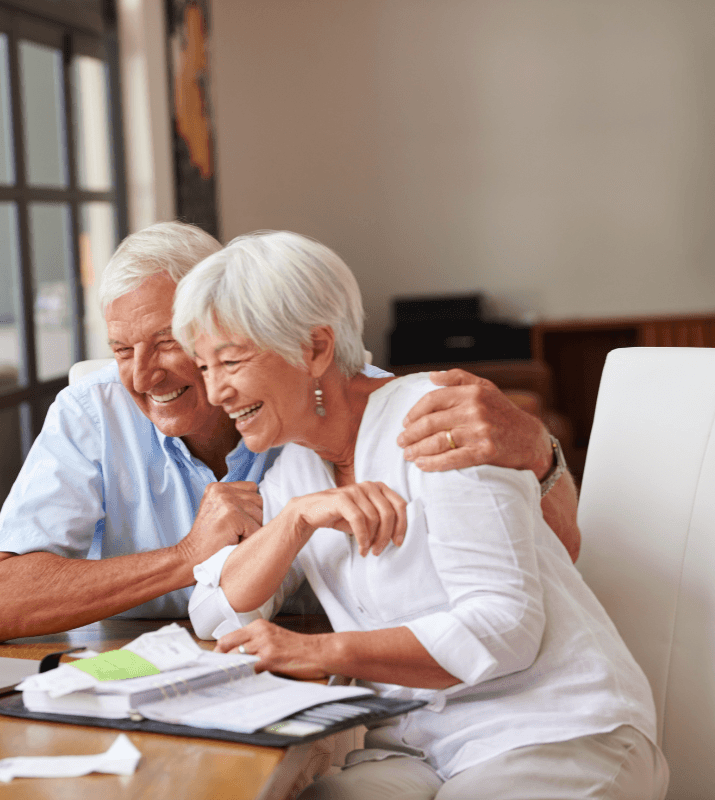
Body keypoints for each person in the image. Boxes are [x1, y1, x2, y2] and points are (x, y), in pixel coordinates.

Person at [176, 231, 665, 800]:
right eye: (205, 368)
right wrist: (294, 521)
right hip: (419, 746)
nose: (216, 393)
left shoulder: (436, 421)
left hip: (553, 730)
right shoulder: (295, 470)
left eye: (231, 361)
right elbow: (216, 612)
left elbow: (504, 629)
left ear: (315, 349)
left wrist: (322, 652)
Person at [0, 222, 579, 644]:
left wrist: (537, 454)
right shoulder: (92, 412)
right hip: (143, 682)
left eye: (169, 344)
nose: (142, 375)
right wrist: (184, 557)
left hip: (330, 682)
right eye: (121, 349)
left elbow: (543, 568)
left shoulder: (338, 403)